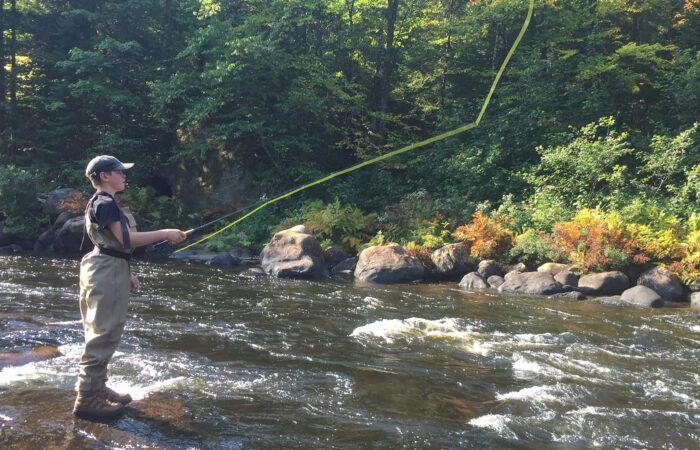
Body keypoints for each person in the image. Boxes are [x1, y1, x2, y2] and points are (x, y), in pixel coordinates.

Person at [73, 155, 187, 420]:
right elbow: (126, 239)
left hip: (107, 268)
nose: (124, 175)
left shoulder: (103, 202)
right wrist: (165, 233)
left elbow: (111, 245)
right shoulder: (105, 203)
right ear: (104, 176)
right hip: (106, 272)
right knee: (103, 334)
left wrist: (128, 272)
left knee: (101, 331)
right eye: (119, 171)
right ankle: (87, 398)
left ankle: (97, 388)